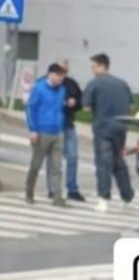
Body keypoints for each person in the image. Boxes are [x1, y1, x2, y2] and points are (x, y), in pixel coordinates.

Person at [82, 53, 135, 212]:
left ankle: (103, 199)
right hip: (120, 128)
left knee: (103, 163)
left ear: (101, 66)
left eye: (93, 66)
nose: (92, 70)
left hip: (103, 128)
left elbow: (86, 107)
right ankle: (127, 197)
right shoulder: (122, 84)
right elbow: (131, 107)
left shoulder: (94, 84)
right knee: (118, 162)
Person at [25, 63, 68, 206]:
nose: (60, 79)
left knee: (57, 166)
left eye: (62, 77)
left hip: (57, 132)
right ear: (51, 74)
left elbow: (60, 109)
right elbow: (31, 109)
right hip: (41, 131)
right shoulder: (39, 88)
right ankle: (29, 192)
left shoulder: (62, 90)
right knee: (36, 164)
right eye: (58, 76)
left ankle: (57, 196)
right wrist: (33, 129)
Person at [45, 57, 85, 201]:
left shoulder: (72, 84)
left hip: (68, 125)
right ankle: (52, 189)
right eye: (61, 70)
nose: (63, 73)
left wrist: (74, 103)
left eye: (65, 70)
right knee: (53, 159)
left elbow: (81, 101)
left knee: (73, 157)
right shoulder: (45, 83)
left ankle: (72, 189)